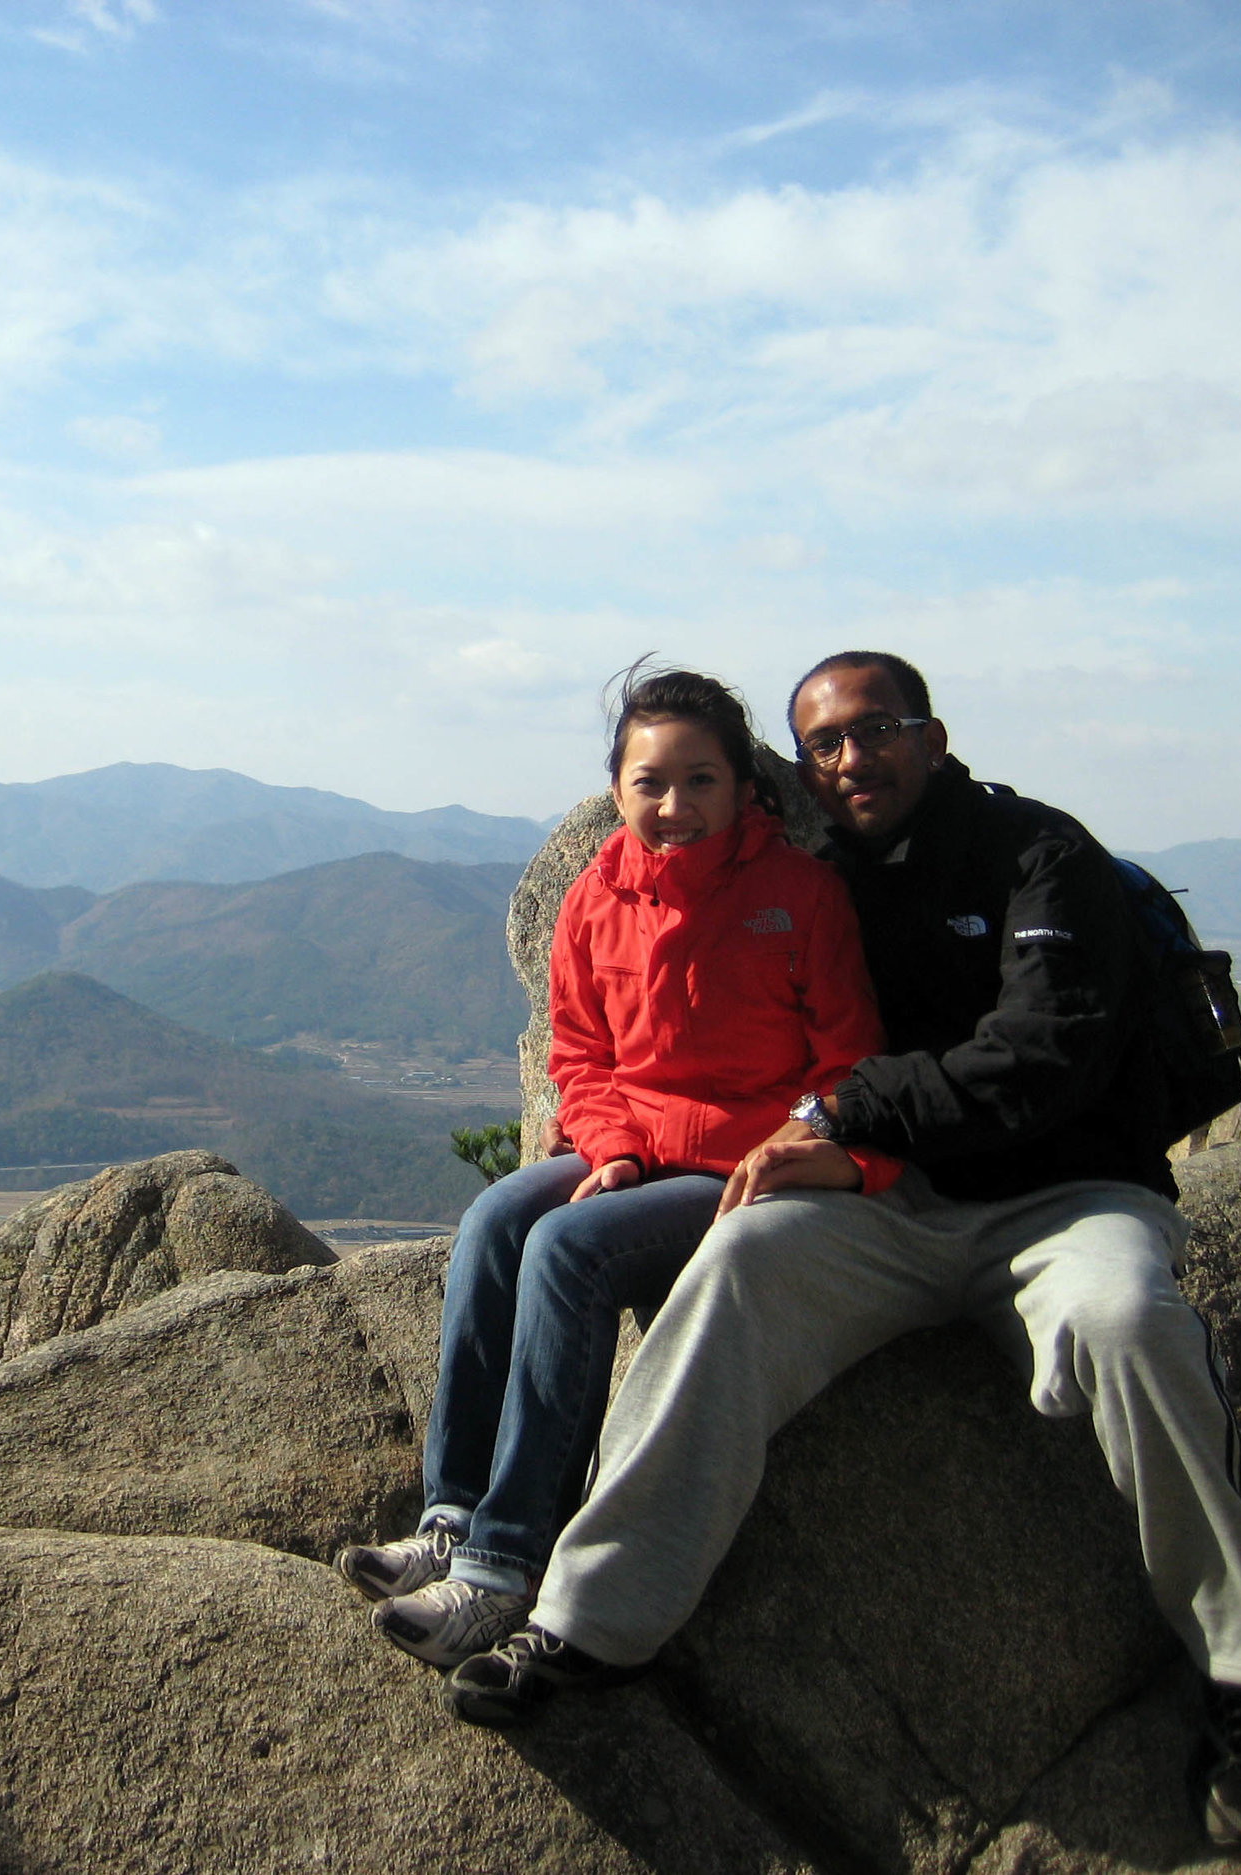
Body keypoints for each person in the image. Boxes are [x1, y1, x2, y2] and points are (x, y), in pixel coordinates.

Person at [440, 651, 1241, 1851]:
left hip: (1065, 1198)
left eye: (877, 730)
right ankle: (591, 1617)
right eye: (825, 744)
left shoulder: (1042, 858)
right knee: (736, 1270)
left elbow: (1043, 1051)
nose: (853, 759)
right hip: (887, 1205)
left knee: (1127, 1323)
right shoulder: (816, 873)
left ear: (934, 737)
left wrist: (845, 1122)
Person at [334, 663, 896, 1669]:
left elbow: (847, 1061)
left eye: (701, 781)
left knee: (569, 1248)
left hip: (736, 1163)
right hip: (628, 1145)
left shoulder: (798, 896)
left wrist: (795, 1139)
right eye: (651, 783)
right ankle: (452, 1512)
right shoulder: (596, 896)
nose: (675, 805)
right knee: (498, 1219)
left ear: (742, 788)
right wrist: (620, 1146)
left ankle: (506, 1565)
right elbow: (579, 1055)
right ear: (616, 788)